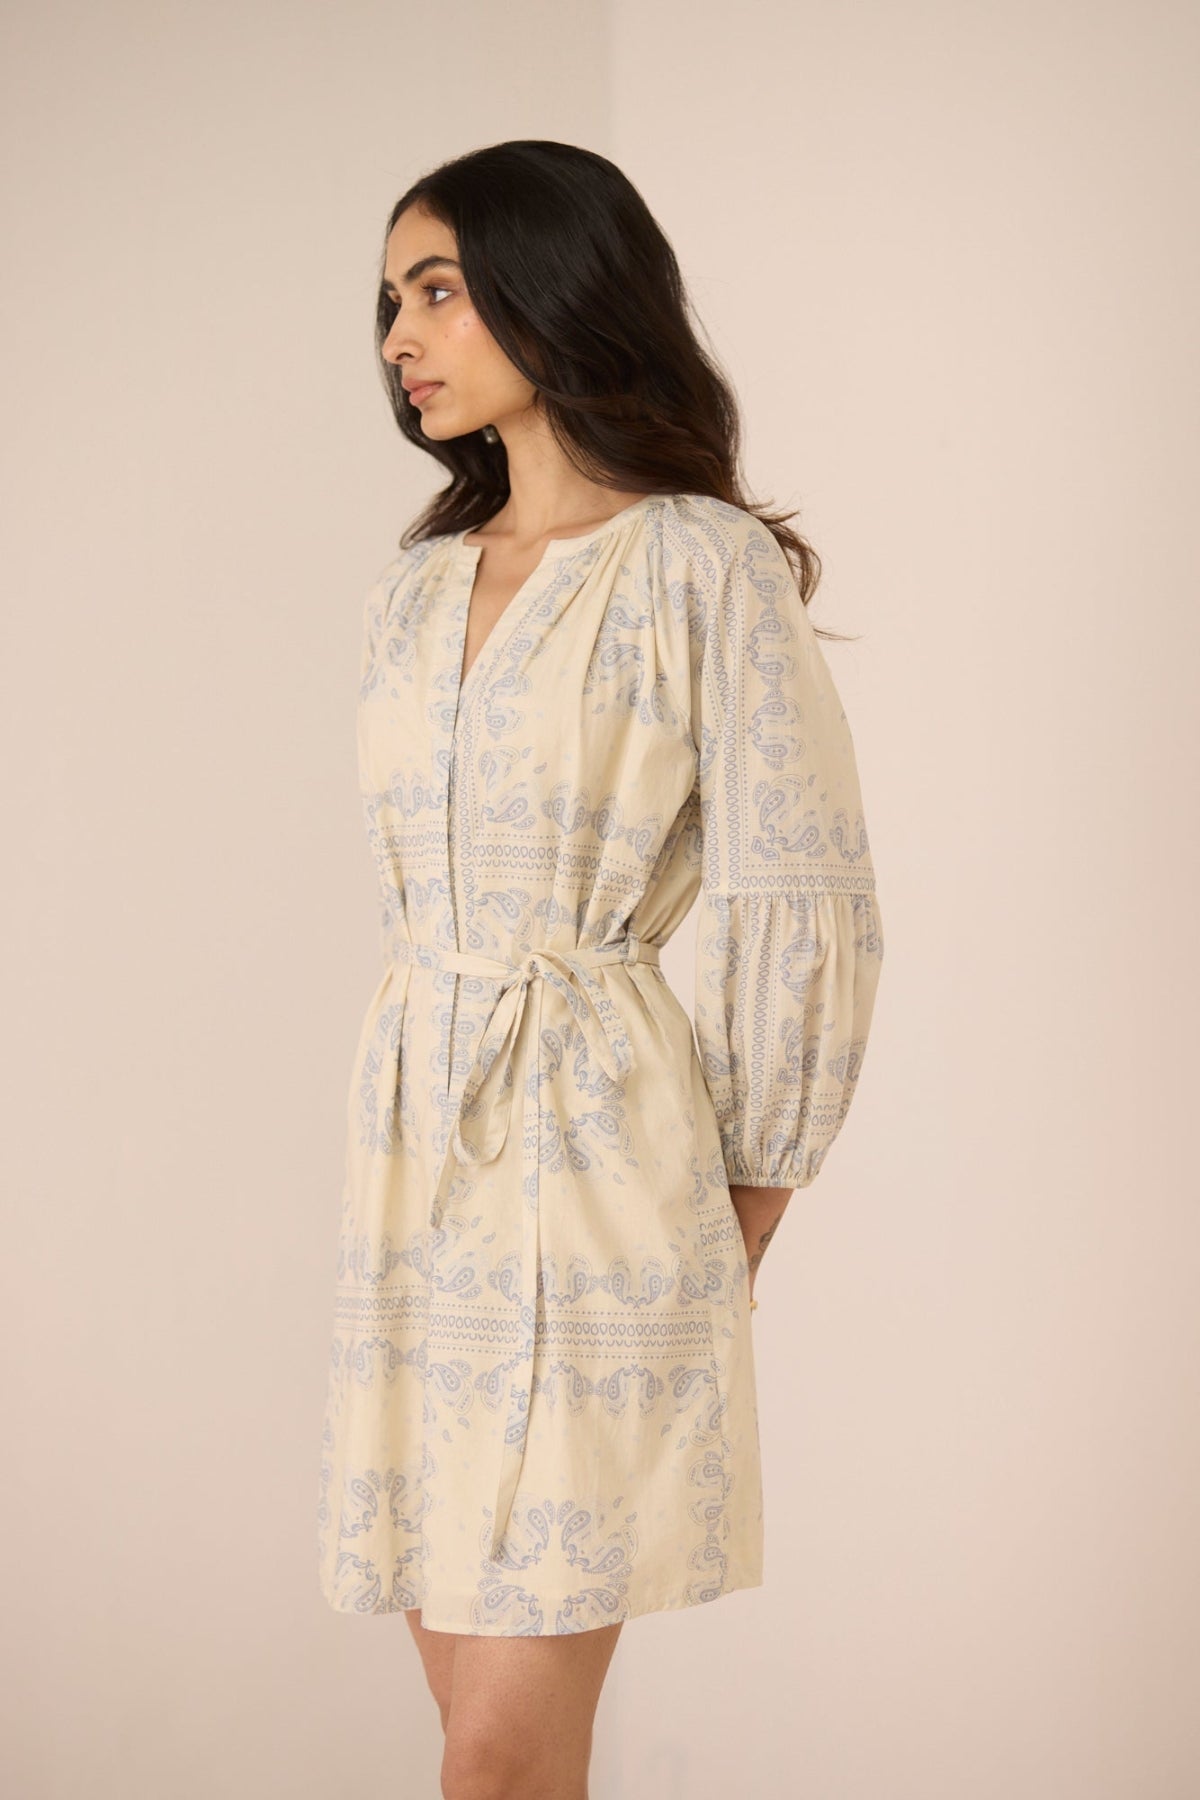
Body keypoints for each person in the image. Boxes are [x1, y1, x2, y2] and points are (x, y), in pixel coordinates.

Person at [316, 140, 885, 1799]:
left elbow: (806, 889)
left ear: (554, 285)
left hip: (601, 1163)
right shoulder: (410, 595)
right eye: (389, 304)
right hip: (416, 1155)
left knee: (497, 1755)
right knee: (485, 1744)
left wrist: (751, 1186)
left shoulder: (700, 565)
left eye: (436, 288)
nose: (400, 335)